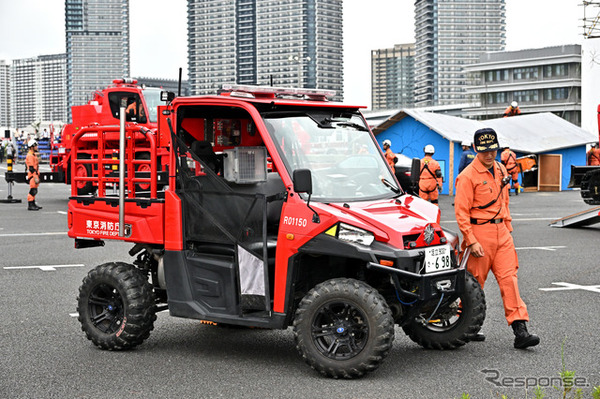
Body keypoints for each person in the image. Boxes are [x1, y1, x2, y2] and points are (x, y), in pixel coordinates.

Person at [455, 128, 539, 349]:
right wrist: (471, 240)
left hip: (502, 232)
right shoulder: (466, 177)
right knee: (474, 283)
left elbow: (504, 201)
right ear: (475, 150)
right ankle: (468, 326)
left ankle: (520, 330)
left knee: (509, 279)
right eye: (484, 151)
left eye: (492, 150)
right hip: (479, 234)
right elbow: (461, 213)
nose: (489, 155)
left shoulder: (501, 169)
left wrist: (507, 226)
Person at [26, 140, 43, 211]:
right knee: (32, 190)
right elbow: (31, 168)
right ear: (32, 147)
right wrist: (35, 176)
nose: (36, 147)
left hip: (35, 174)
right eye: (35, 146)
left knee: (35, 190)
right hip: (33, 175)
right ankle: (30, 204)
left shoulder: (33, 154)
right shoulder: (30, 155)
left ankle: (33, 203)